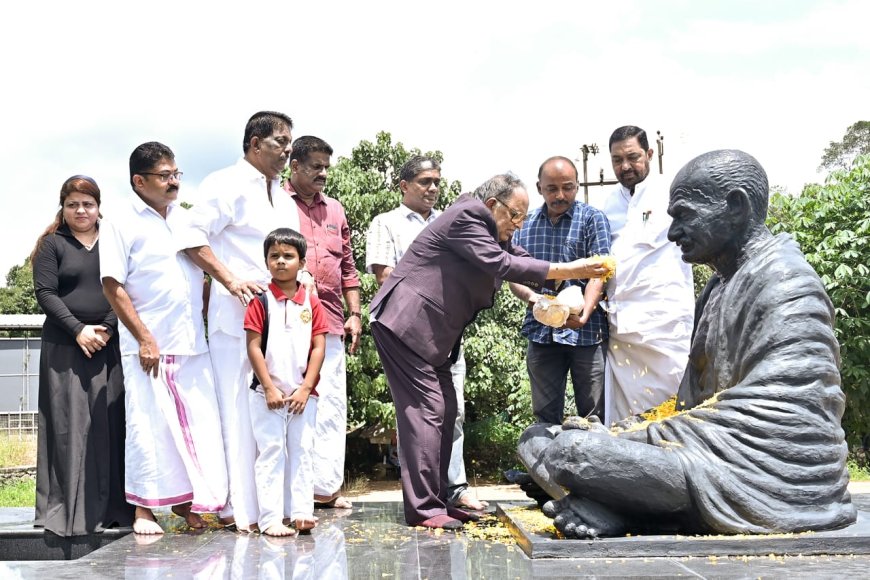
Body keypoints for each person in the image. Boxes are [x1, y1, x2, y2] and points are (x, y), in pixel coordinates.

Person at [517, 150, 857, 538]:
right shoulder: (720, 284)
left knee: (569, 454)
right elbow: (691, 406)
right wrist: (629, 430)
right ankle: (616, 500)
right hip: (705, 454)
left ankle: (622, 505)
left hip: (766, 477)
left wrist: (629, 438)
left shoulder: (787, 283)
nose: (674, 232)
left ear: (735, 206)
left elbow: (785, 419)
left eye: (683, 215)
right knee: (537, 439)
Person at [369, 173, 612, 529]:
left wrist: (553, 292)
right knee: (427, 410)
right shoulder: (467, 215)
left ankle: (441, 500)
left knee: (447, 409)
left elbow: (518, 257)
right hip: (406, 325)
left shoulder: (490, 227)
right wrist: (572, 269)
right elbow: (502, 265)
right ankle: (423, 509)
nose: (518, 224)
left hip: (436, 336)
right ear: (492, 205)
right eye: (514, 215)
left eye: (523, 218)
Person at [182, 110, 301, 532]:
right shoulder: (224, 183)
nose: (289, 149)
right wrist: (231, 280)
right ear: (254, 143)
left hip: (283, 322)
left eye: (290, 141)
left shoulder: (283, 195)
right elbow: (190, 236)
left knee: (279, 411)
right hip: (236, 320)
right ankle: (238, 508)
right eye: (280, 141)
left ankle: (277, 507)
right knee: (237, 410)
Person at [100, 142, 228, 535]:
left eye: (177, 174)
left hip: (191, 339)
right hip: (149, 345)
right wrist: (144, 338)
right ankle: (144, 509)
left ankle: (190, 505)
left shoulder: (184, 219)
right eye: (164, 176)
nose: (174, 183)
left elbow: (200, 270)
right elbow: (112, 284)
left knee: (198, 426)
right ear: (139, 182)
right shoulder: (121, 221)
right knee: (149, 426)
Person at [365, 156, 486, 511]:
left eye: (437, 181)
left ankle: (455, 487)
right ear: (404, 185)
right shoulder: (385, 223)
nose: (433, 188)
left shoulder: (450, 220)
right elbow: (385, 277)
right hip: (409, 332)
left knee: (454, 409)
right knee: (418, 415)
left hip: (449, 332)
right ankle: (423, 493)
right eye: (424, 181)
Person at [30, 175, 133, 536]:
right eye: (73, 204)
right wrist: (78, 329)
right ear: (63, 207)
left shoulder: (115, 240)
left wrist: (106, 327)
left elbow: (123, 286)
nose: (80, 210)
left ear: (99, 206)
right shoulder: (51, 244)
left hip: (109, 342)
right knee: (67, 427)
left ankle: (115, 507)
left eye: (87, 204)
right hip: (64, 346)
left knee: (111, 422)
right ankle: (66, 512)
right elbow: (45, 293)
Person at [600, 126, 695, 425]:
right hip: (621, 325)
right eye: (617, 159)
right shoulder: (608, 204)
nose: (625, 166)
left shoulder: (672, 195)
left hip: (665, 325)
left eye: (632, 157)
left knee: (674, 399)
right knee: (624, 408)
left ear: (649, 154)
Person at [285, 136, 360, 510]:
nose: (323, 173)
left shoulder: (336, 210)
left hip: (331, 321)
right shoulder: (277, 204)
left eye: (326, 166)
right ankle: (293, 492)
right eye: (315, 166)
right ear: (294, 166)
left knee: (331, 405)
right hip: (287, 321)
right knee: (292, 400)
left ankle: (326, 488)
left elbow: (348, 266)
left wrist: (356, 314)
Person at [509, 157, 611, 424]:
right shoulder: (524, 225)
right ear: (539, 188)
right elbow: (514, 275)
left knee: (593, 417)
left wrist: (586, 312)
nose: (560, 195)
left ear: (577, 185)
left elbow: (599, 273)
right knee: (544, 418)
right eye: (552, 188)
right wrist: (534, 300)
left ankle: (592, 466)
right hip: (542, 334)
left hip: (586, 335)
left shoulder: (592, 219)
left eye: (567, 187)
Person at [245, 228, 328, 537]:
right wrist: (268, 387)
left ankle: (302, 512)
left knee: (303, 450)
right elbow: (253, 346)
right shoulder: (261, 301)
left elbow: (319, 347)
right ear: (267, 261)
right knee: (271, 453)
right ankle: (269, 518)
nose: (281, 262)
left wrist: (306, 388)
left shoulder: (312, 303)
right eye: (274, 256)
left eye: (288, 256)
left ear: (302, 262)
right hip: (268, 396)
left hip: (304, 396)